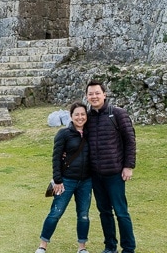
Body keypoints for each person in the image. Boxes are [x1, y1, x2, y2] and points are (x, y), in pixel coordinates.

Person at [85, 80, 136, 253]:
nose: (94, 97)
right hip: (96, 175)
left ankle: (128, 248)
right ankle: (110, 246)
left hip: (115, 173)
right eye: (90, 94)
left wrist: (128, 166)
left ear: (104, 94)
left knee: (121, 212)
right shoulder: (87, 117)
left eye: (97, 93)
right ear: (87, 96)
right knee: (104, 212)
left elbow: (130, 140)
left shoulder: (117, 114)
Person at [35, 102, 92, 253]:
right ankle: (42, 245)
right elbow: (56, 158)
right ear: (71, 116)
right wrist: (58, 180)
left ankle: (82, 247)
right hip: (66, 180)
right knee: (56, 212)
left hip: (86, 181)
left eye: (83, 114)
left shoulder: (91, 133)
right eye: (76, 114)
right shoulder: (63, 134)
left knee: (84, 214)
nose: (80, 117)